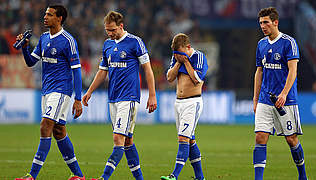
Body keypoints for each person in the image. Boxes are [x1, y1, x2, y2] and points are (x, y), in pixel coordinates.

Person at [82, 11, 157, 180]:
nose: (110, 33)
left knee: (118, 139)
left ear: (121, 26)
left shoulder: (135, 42)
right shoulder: (108, 44)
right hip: (113, 98)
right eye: (107, 30)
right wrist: (89, 91)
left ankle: (104, 177)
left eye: (113, 30)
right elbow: (103, 71)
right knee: (127, 141)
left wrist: (152, 95)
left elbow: (147, 69)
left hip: (129, 98)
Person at [15, 5, 85, 180]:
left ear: (59, 18)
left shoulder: (68, 40)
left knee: (45, 126)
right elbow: (31, 62)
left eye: (49, 14)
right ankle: (78, 175)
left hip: (61, 90)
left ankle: (31, 175)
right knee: (59, 131)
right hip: (47, 90)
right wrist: (24, 47)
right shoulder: (44, 38)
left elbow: (76, 70)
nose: (45, 17)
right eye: (45, 14)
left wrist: (78, 98)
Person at [253, 7, 307, 180]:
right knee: (260, 137)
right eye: (261, 23)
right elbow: (259, 72)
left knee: (291, 139)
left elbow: (293, 71)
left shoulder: (288, 42)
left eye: (266, 22)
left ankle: (302, 176)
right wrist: (255, 99)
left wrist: (284, 94)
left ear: (275, 22)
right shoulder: (261, 44)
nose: (263, 26)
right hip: (265, 99)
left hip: (286, 100)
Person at [161, 33, 208, 180]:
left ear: (188, 47)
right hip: (178, 103)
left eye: (179, 53)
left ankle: (174, 175)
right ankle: (200, 177)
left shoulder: (199, 57)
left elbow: (197, 79)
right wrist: (178, 61)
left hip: (192, 102)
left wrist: (186, 61)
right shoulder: (176, 58)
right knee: (190, 139)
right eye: (175, 54)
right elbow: (169, 78)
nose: (177, 56)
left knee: (183, 138)